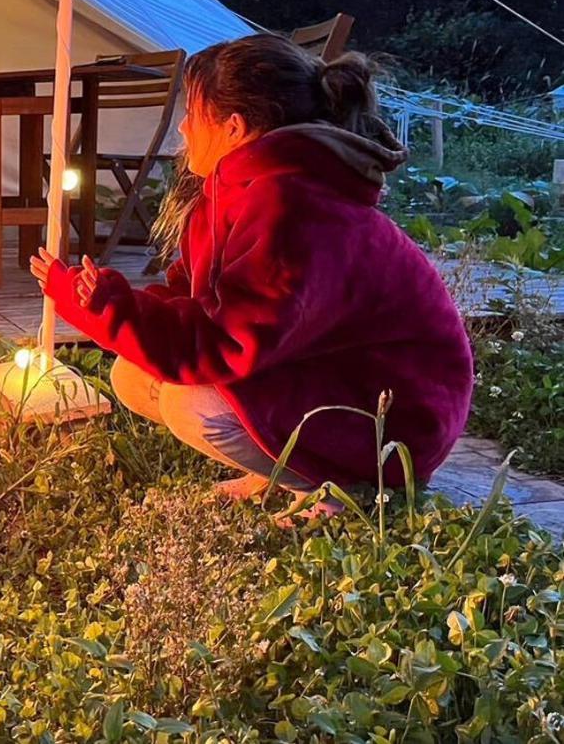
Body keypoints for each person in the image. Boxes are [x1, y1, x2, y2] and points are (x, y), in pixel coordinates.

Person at [32, 34, 473, 506]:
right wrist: (102, 298)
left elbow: (227, 342)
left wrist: (107, 310)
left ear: (234, 127)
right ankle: (282, 470)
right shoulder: (239, 189)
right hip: (325, 370)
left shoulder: (292, 204)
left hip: (394, 413)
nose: (182, 130)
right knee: (134, 376)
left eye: (192, 115)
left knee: (193, 404)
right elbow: (196, 296)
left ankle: (344, 489)